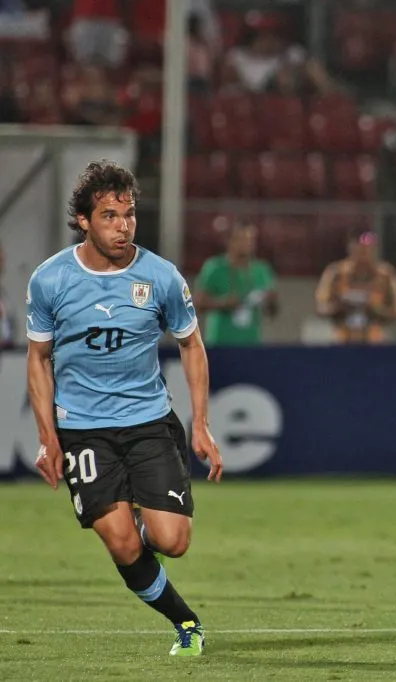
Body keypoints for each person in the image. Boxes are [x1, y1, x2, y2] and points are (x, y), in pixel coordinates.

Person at [27, 161, 223, 656]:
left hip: (148, 424)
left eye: (129, 215)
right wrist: (49, 439)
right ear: (84, 220)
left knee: (173, 541)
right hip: (84, 433)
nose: (123, 226)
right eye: (110, 216)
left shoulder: (160, 277)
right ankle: (187, 624)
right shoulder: (50, 281)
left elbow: (192, 345)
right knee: (122, 545)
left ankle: (138, 511)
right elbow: (39, 360)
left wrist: (200, 423)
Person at [193, 220, 278, 347]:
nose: (248, 244)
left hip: (252, 344)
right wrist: (223, 303)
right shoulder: (215, 267)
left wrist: (272, 302)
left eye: (251, 240)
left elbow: (272, 312)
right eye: (243, 239)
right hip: (220, 343)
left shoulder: (262, 270)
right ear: (230, 241)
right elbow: (197, 304)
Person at [314, 231, 396, 344]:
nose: (362, 253)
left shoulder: (387, 275)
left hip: (375, 336)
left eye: (366, 249)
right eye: (358, 249)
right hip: (341, 335)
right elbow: (321, 307)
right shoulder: (335, 273)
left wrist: (375, 308)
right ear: (350, 249)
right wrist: (340, 305)